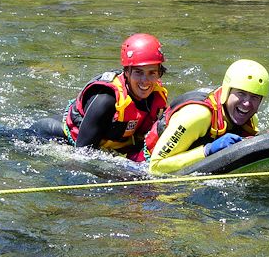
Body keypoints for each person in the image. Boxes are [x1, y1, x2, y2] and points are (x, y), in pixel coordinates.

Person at [31, 33, 168, 161]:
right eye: (138, 72)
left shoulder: (155, 97)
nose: (145, 80)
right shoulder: (106, 100)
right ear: (126, 72)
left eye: (152, 72)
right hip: (49, 137)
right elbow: (81, 156)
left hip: (107, 146)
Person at [144, 59, 269, 174]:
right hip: (142, 165)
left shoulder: (249, 117)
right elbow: (155, 167)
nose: (247, 103)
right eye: (241, 93)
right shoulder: (197, 116)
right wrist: (208, 150)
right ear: (227, 92)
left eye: (255, 97)